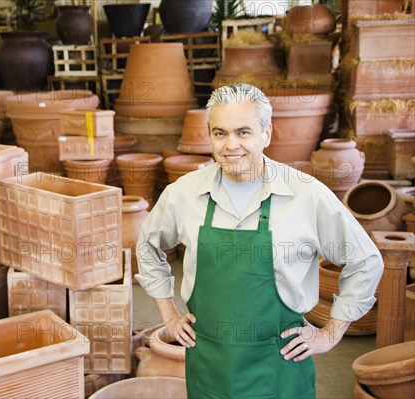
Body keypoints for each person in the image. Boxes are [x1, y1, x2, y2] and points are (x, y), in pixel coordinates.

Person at [135, 83, 383, 399]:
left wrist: (331, 333)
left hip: (280, 369)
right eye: (220, 133)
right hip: (210, 367)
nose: (230, 145)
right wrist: (168, 314)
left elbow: (365, 261)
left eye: (243, 132)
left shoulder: (306, 195)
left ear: (267, 134)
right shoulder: (183, 194)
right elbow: (147, 245)